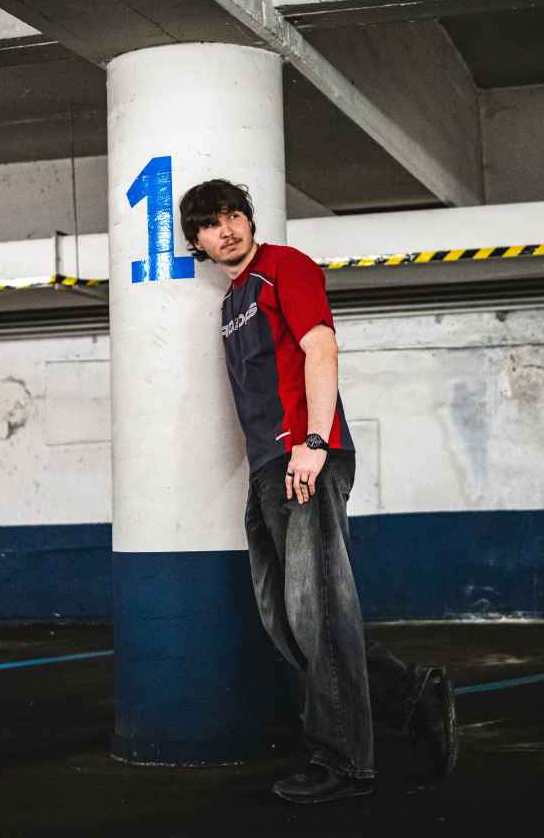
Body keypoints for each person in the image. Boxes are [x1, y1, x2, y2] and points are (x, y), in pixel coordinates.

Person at [179, 178, 458, 804]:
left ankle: (345, 761)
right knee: (286, 621)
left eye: (233, 215)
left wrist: (314, 441)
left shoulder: (287, 267)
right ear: (197, 241)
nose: (226, 230)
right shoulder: (231, 303)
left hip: (305, 456)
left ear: (248, 219)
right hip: (268, 468)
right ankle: (410, 692)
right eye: (210, 224)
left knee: (319, 612)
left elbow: (320, 347)